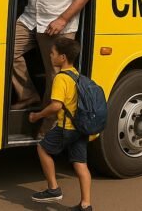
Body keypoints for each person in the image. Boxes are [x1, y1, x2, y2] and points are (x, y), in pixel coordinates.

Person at [28, 38, 93, 210]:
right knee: (81, 164)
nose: (50, 55)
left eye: (53, 53)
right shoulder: (76, 75)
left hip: (66, 128)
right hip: (80, 128)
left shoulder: (61, 78)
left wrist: (37, 116)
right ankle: (86, 205)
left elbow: (56, 106)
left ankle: (53, 189)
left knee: (42, 148)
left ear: (62, 57)